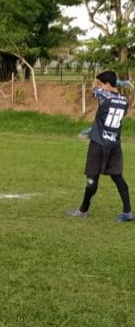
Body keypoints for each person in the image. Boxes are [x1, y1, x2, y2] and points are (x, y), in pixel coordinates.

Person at [68, 70, 132, 222]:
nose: (100, 87)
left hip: (99, 143)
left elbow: (93, 86)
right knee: (117, 176)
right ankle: (127, 211)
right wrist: (119, 84)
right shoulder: (124, 101)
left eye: (102, 84)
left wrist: (101, 84)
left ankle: (83, 210)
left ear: (107, 84)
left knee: (92, 177)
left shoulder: (103, 96)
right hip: (114, 144)